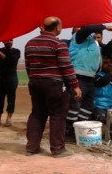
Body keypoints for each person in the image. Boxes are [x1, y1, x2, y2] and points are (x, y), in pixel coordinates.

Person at [24, 16, 81, 158]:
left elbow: (28, 66)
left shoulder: (30, 43)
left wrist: (34, 79)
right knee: (58, 115)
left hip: (35, 83)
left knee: (37, 113)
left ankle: (32, 147)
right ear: (58, 27)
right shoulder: (58, 44)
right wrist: (75, 86)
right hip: (54, 85)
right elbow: (66, 67)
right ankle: (58, 149)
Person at [66, 23, 112, 136]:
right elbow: (87, 29)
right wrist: (105, 27)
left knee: (87, 106)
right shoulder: (78, 38)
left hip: (90, 78)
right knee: (75, 106)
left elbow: (105, 52)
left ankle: (78, 128)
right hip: (78, 76)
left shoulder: (93, 42)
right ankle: (68, 130)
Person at [0, 39, 21, 127]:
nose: (9, 42)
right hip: (0, 79)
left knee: (11, 99)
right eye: (7, 40)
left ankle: (9, 118)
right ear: (3, 42)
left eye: (11, 40)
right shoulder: (0, 50)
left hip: (12, 78)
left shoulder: (16, 51)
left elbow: (11, 61)